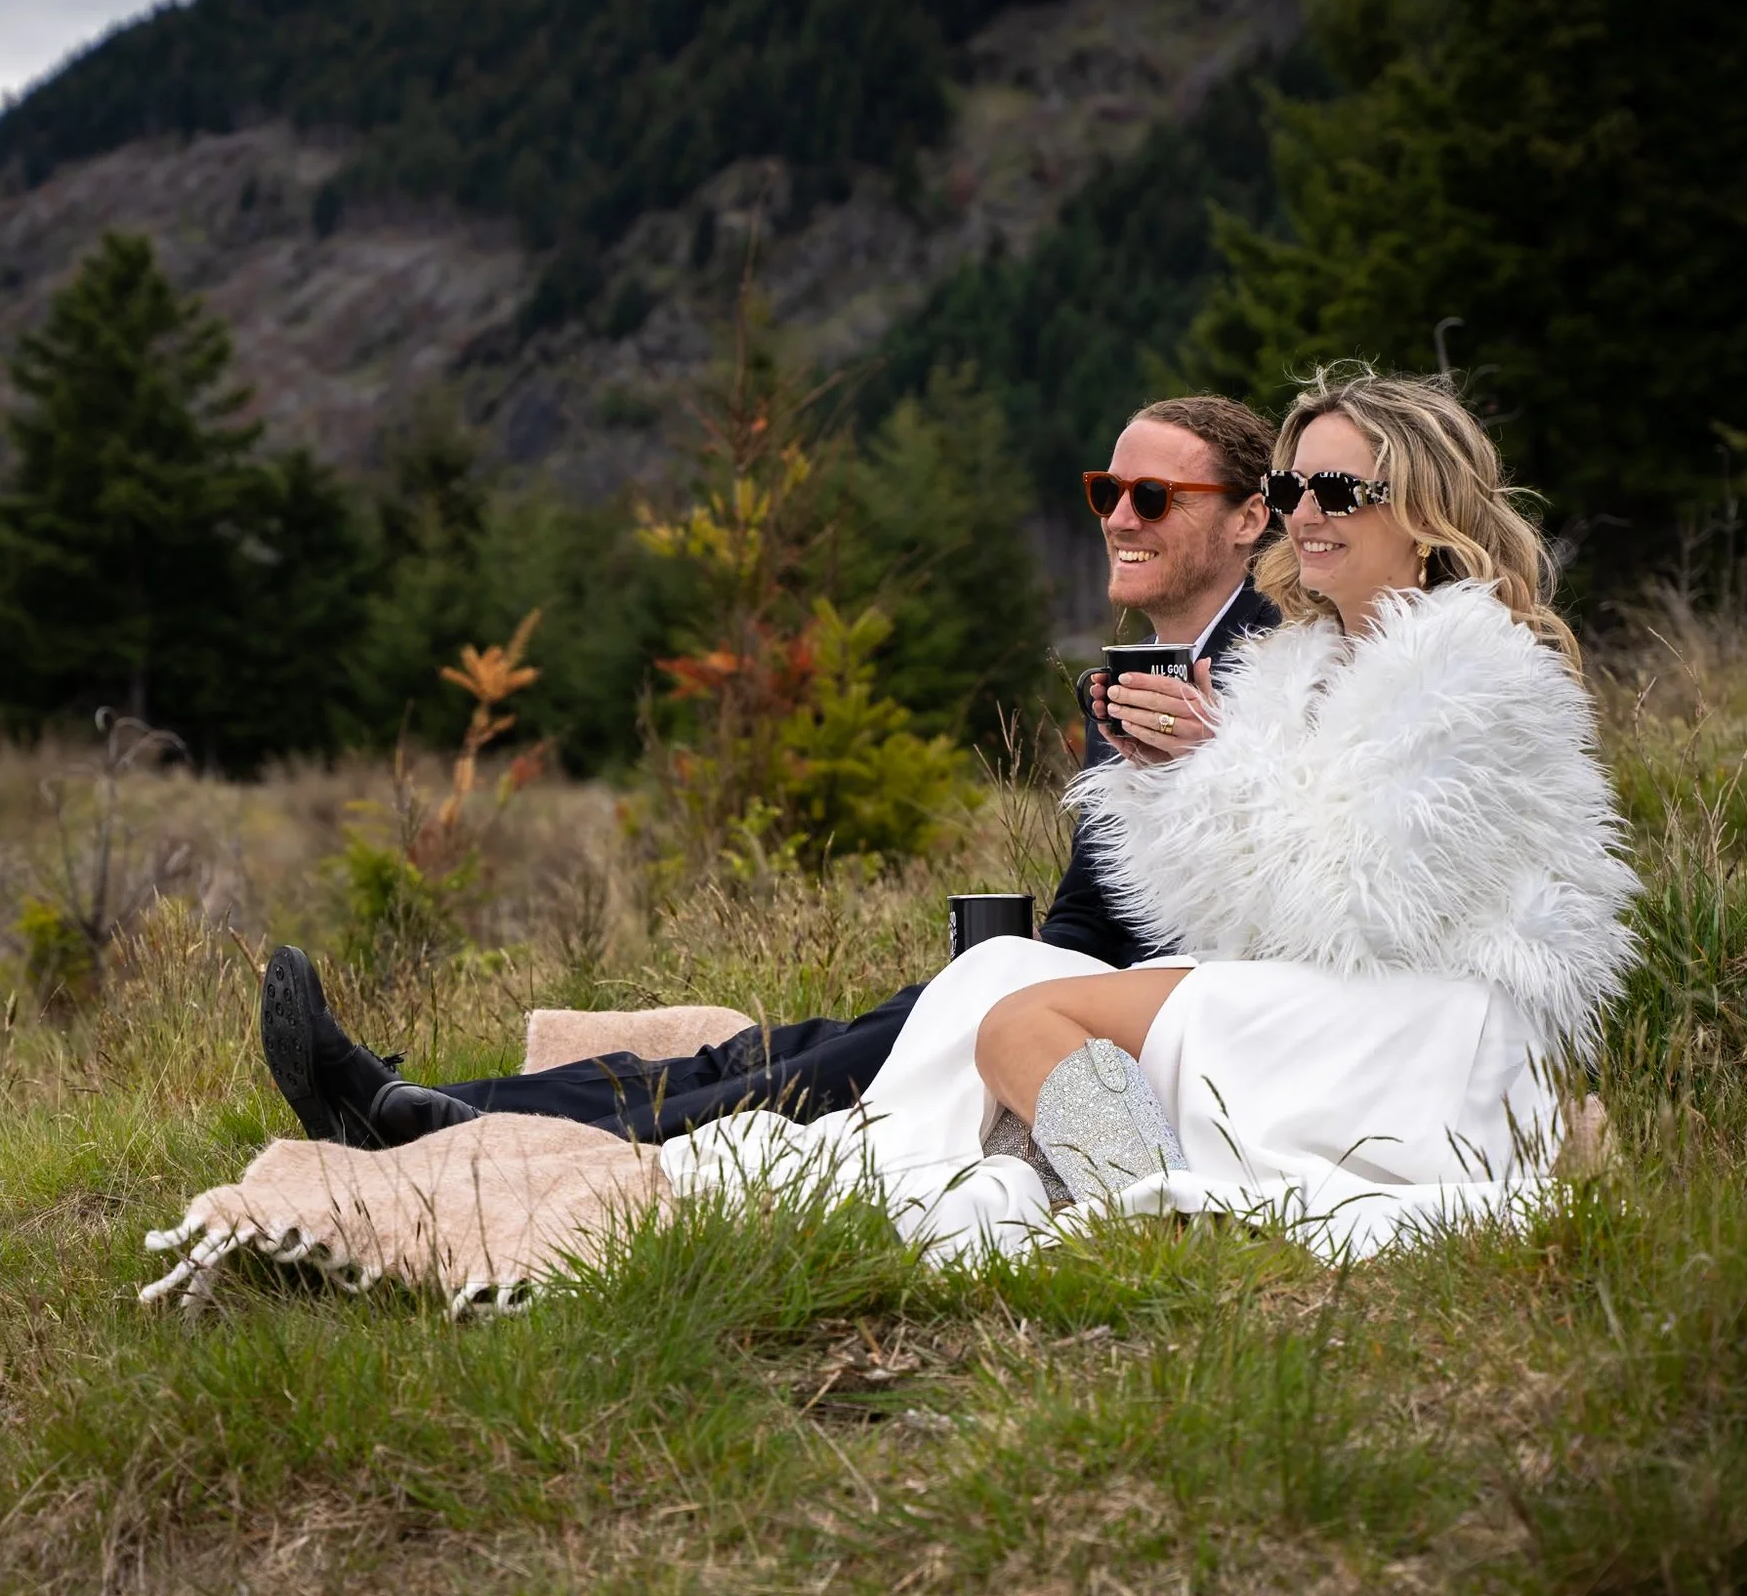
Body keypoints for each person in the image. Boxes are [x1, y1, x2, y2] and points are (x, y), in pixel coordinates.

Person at [658, 365, 1639, 1259]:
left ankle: (1153, 1212)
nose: (1306, 512)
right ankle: (1134, 1187)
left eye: (1339, 490)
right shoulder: (1304, 662)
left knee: (1021, 1021)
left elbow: (1359, 908)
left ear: (1424, 506)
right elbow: (1219, 910)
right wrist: (1157, 776)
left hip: (1427, 1022)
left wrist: (1210, 763)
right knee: (1001, 972)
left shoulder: (1472, 667)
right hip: (1333, 998)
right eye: (1294, 487)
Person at [260, 394, 1283, 1148]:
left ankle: (436, 1126)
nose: (1119, 516)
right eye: (1108, 490)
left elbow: (1288, 893)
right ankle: (434, 1102)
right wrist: (994, 968)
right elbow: (1094, 913)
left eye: (1155, 494)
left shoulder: (1284, 671)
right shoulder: (1133, 679)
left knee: (803, 1076)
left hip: (1143, 1026)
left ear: (1246, 518)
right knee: (770, 1049)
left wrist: (1213, 755)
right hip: (1060, 987)